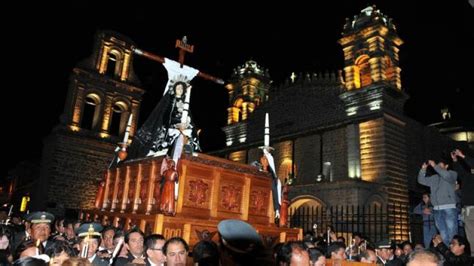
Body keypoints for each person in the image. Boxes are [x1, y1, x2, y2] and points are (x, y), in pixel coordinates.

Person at [417, 156, 458, 246]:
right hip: (437, 210)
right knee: (443, 235)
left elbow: (446, 175)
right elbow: (421, 180)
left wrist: (435, 165)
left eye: (440, 165)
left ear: (446, 166)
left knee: (452, 234)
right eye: (437, 166)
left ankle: (454, 255)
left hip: (449, 208)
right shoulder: (434, 178)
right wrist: (423, 169)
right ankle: (447, 255)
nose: (437, 167)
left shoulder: (452, 174)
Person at [451, 148, 474, 256]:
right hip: (467, 210)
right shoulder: (468, 176)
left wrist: (462, 155)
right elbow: (459, 172)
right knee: (470, 237)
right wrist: (455, 160)